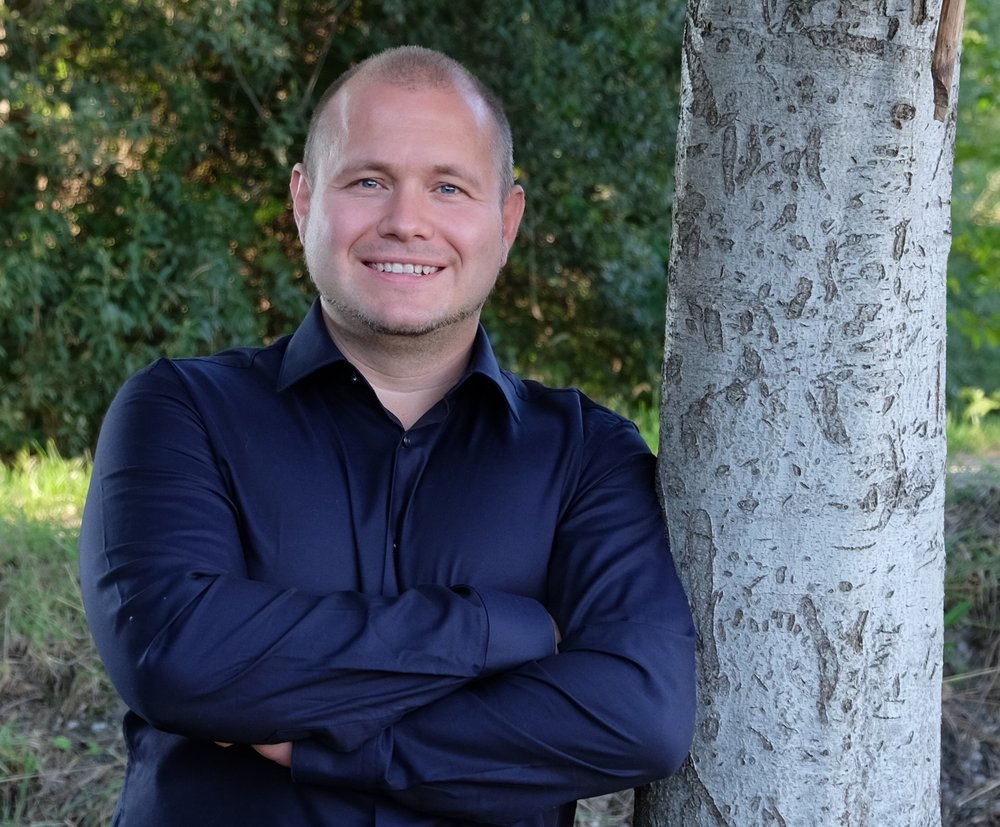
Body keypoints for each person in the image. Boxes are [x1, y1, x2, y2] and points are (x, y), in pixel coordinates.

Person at [79, 45, 695, 827]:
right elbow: (174, 657)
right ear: (305, 202)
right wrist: (510, 628)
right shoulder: (180, 412)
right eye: (368, 181)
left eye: (448, 186)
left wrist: (325, 743)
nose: (406, 221)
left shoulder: (587, 454)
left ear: (507, 220)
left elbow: (640, 713)